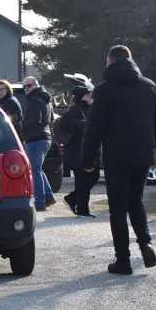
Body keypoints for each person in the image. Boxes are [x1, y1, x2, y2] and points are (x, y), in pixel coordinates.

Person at [80, 46, 156, 275]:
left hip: (116, 156)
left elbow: (93, 128)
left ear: (110, 62)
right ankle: (145, 243)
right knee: (136, 202)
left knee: (117, 208)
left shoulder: (104, 90)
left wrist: (87, 159)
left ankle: (123, 260)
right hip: (142, 155)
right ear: (131, 60)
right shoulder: (150, 87)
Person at [54, 84, 97, 217]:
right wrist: (84, 125)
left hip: (88, 151)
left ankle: (72, 199)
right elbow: (65, 123)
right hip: (77, 152)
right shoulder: (74, 110)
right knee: (82, 180)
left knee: (93, 177)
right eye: (87, 94)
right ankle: (83, 209)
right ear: (80, 96)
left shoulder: (89, 109)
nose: (90, 97)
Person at [19, 76, 56, 210]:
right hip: (45, 138)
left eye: (29, 86)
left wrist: (23, 127)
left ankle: (40, 203)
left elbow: (35, 119)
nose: (26, 89)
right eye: (25, 86)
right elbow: (50, 119)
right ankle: (48, 196)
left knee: (35, 170)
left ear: (36, 85)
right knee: (38, 169)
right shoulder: (45, 99)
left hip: (35, 139)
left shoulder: (34, 100)